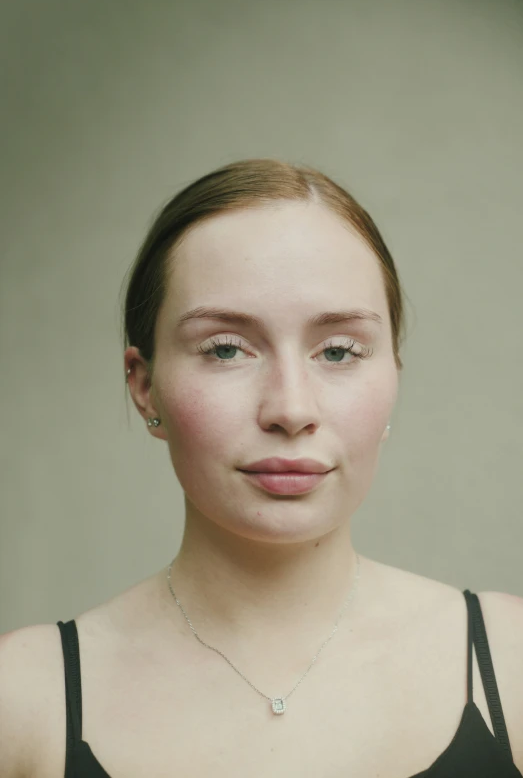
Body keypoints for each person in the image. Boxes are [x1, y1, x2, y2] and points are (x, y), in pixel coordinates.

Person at [1, 159, 522, 777]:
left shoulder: (513, 664)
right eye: (226, 349)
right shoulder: (23, 699)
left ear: (393, 382)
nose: (291, 409)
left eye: (338, 351)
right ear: (145, 387)